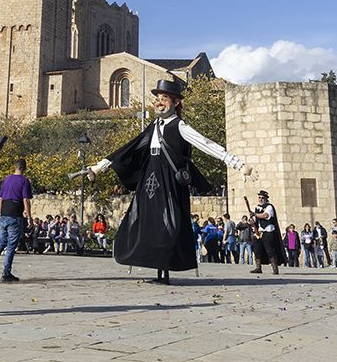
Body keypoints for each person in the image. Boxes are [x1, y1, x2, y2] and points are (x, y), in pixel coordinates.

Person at [84, 79, 250, 285]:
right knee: (144, 220)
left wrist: (235, 162)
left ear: (176, 102)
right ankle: (147, 260)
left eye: (164, 99)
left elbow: (205, 143)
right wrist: (99, 167)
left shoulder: (179, 126)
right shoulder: (154, 126)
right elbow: (129, 148)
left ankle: (166, 267)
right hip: (149, 177)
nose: (159, 102)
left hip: (169, 178)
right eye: (157, 99)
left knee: (169, 223)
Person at [0, 158, 32, 282]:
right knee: (11, 245)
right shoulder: (24, 181)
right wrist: (29, 217)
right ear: (24, 168)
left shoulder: (6, 180)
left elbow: (0, 199)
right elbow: (26, 200)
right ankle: (6, 273)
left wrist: (0, 213)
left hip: (4, 213)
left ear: (14, 167)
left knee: (2, 242)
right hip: (15, 215)